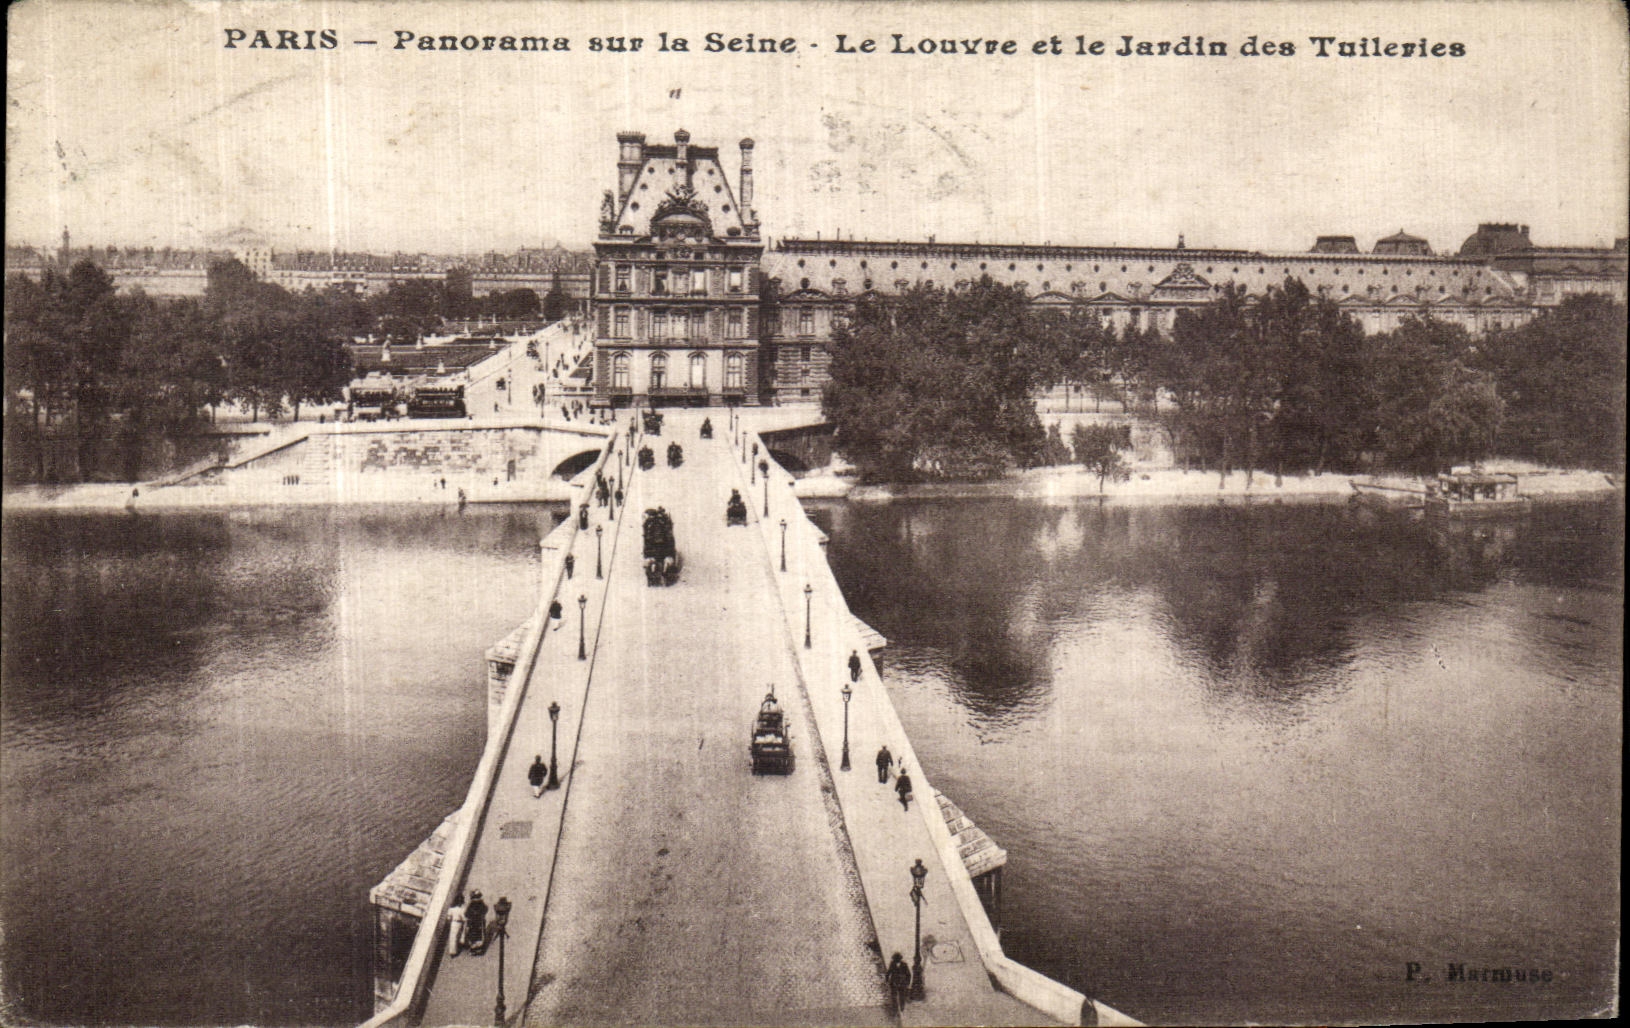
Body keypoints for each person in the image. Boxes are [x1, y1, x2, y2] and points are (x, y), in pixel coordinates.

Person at [446, 892, 467, 957]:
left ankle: (452, 951)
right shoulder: (462, 910)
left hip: (453, 923)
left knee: (453, 936)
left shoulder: (451, 909)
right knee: (458, 936)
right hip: (459, 923)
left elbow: (448, 917)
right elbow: (464, 918)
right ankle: (455, 950)